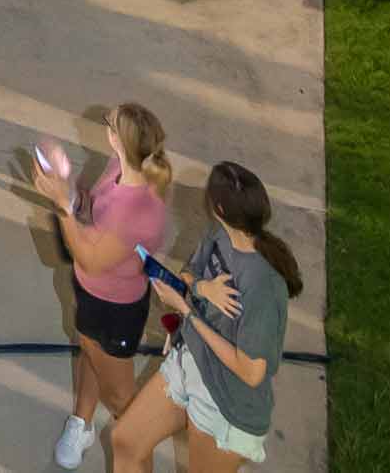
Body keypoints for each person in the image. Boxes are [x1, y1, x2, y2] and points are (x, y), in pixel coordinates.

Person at [103, 161, 299, 471]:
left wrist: (187, 312)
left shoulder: (263, 284)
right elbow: (187, 275)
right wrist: (204, 289)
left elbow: (251, 373)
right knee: (125, 440)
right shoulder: (218, 235)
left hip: (225, 403)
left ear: (219, 207)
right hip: (189, 363)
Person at [29, 101, 176, 469]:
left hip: (115, 310)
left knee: (121, 399)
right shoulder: (120, 168)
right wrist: (72, 194)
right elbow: (94, 208)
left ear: (117, 138)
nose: (104, 125)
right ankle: (82, 422)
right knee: (88, 352)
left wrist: (62, 207)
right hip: (93, 295)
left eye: (108, 123)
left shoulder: (139, 210)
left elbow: (90, 258)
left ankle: (137, 459)